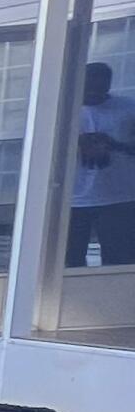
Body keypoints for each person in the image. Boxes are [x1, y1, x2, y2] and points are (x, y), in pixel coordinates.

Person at [72, 60, 135, 268]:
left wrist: (114, 144)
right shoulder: (64, 111)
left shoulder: (128, 108)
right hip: (70, 200)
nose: (94, 93)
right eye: (89, 88)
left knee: (119, 262)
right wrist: (78, 143)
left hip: (119, 197)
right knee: (66, 263)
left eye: (100, 88)